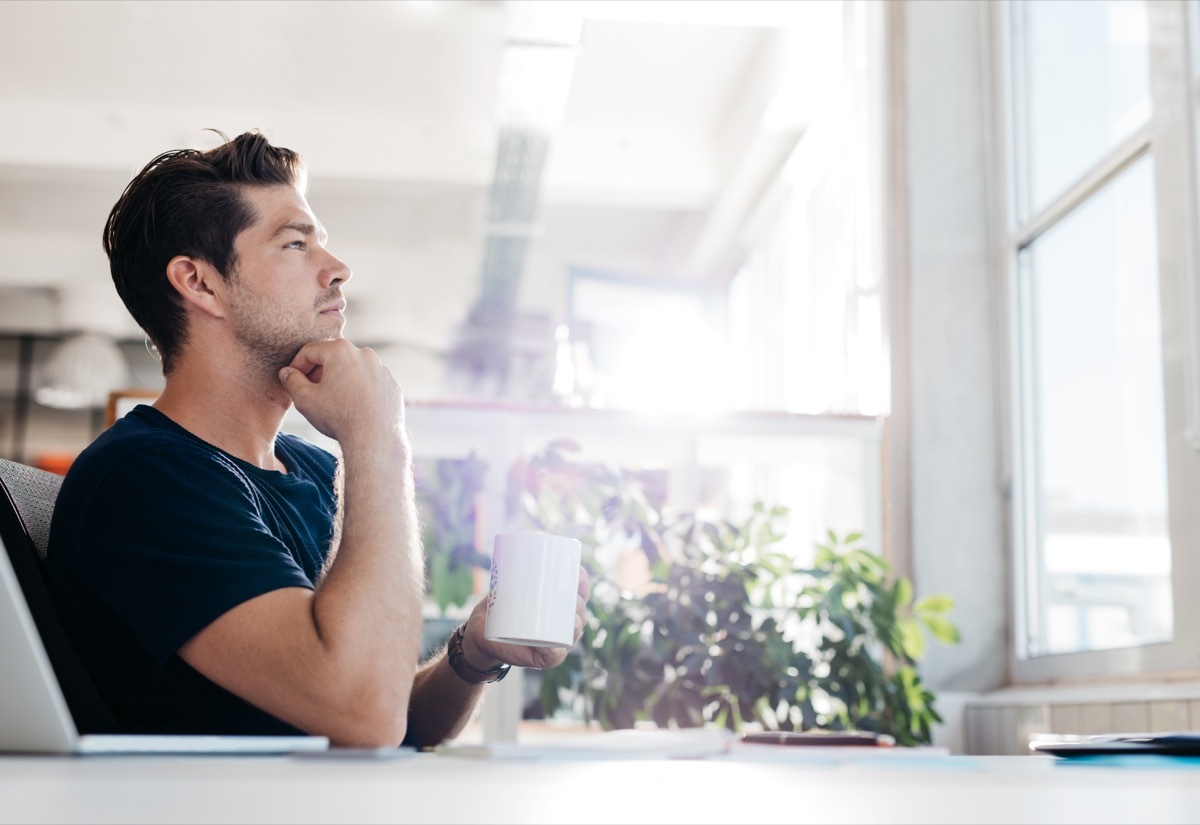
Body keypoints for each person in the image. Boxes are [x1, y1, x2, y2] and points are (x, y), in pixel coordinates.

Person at [44, 129, 589, 749]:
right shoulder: (144, 479)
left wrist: (473, 654)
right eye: (296, 244)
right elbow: (363, 713)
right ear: (200, 283)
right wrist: (378, 433)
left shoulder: (307, 467)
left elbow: (389, 712)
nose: (338, 270)